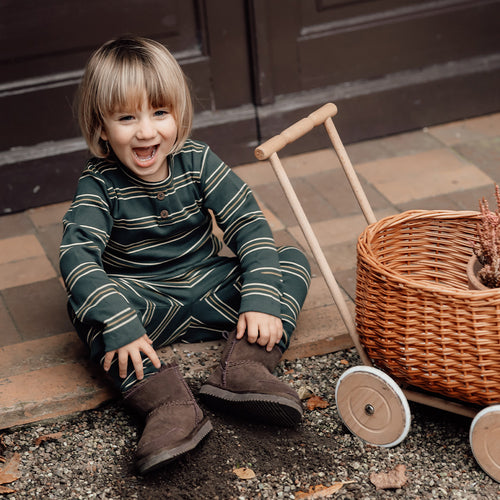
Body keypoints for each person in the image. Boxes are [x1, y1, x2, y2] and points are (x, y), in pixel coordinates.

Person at [59, 35, 311, 475]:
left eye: (159, 112)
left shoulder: (197, 161)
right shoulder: (98, 183)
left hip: (212, 292)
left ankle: (245, 369)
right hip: (146, 306)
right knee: (85, 307)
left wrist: (259, 300)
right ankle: (167, 404)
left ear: (178, 113)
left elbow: (249, 225)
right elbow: (77, 257)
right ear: (101, 126)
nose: (145, 130)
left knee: (289, 261)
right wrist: (119, 320)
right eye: (126, 117)